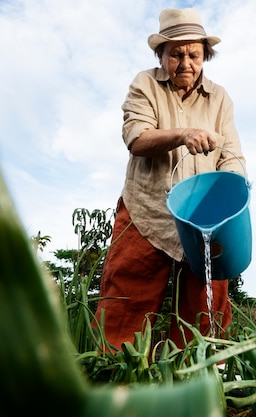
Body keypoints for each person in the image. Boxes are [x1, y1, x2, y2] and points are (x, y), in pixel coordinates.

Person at [93, 8, 246, 349]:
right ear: (160, 55)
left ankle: (198, 376)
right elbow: (137, 139)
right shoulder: (144, 84)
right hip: (147, 211)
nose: (185, 63)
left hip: (202, 218)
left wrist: (235, 195)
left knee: (206, 306)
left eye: (194, 54)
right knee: (125, 300)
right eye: (175, 54)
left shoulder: (219, 98)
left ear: (205, 56)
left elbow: (231, 155)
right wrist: (183, 134)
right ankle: (116, 373)